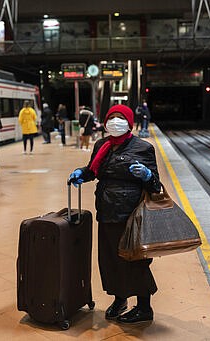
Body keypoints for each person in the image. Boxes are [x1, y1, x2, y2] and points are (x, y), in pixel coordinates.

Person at [68, 104, 161, 324]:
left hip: (132, 214)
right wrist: (82, 173)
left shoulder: (143, 148)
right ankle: (120, 300)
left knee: (135, 260)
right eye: (112, 117)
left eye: (120, 118)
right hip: (107, 210)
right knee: (111, 259)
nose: (115, 122)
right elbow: (94, 170)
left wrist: (146, 175)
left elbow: (155, 185)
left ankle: (144, 307)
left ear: (129, 122)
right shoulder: (102, 145)